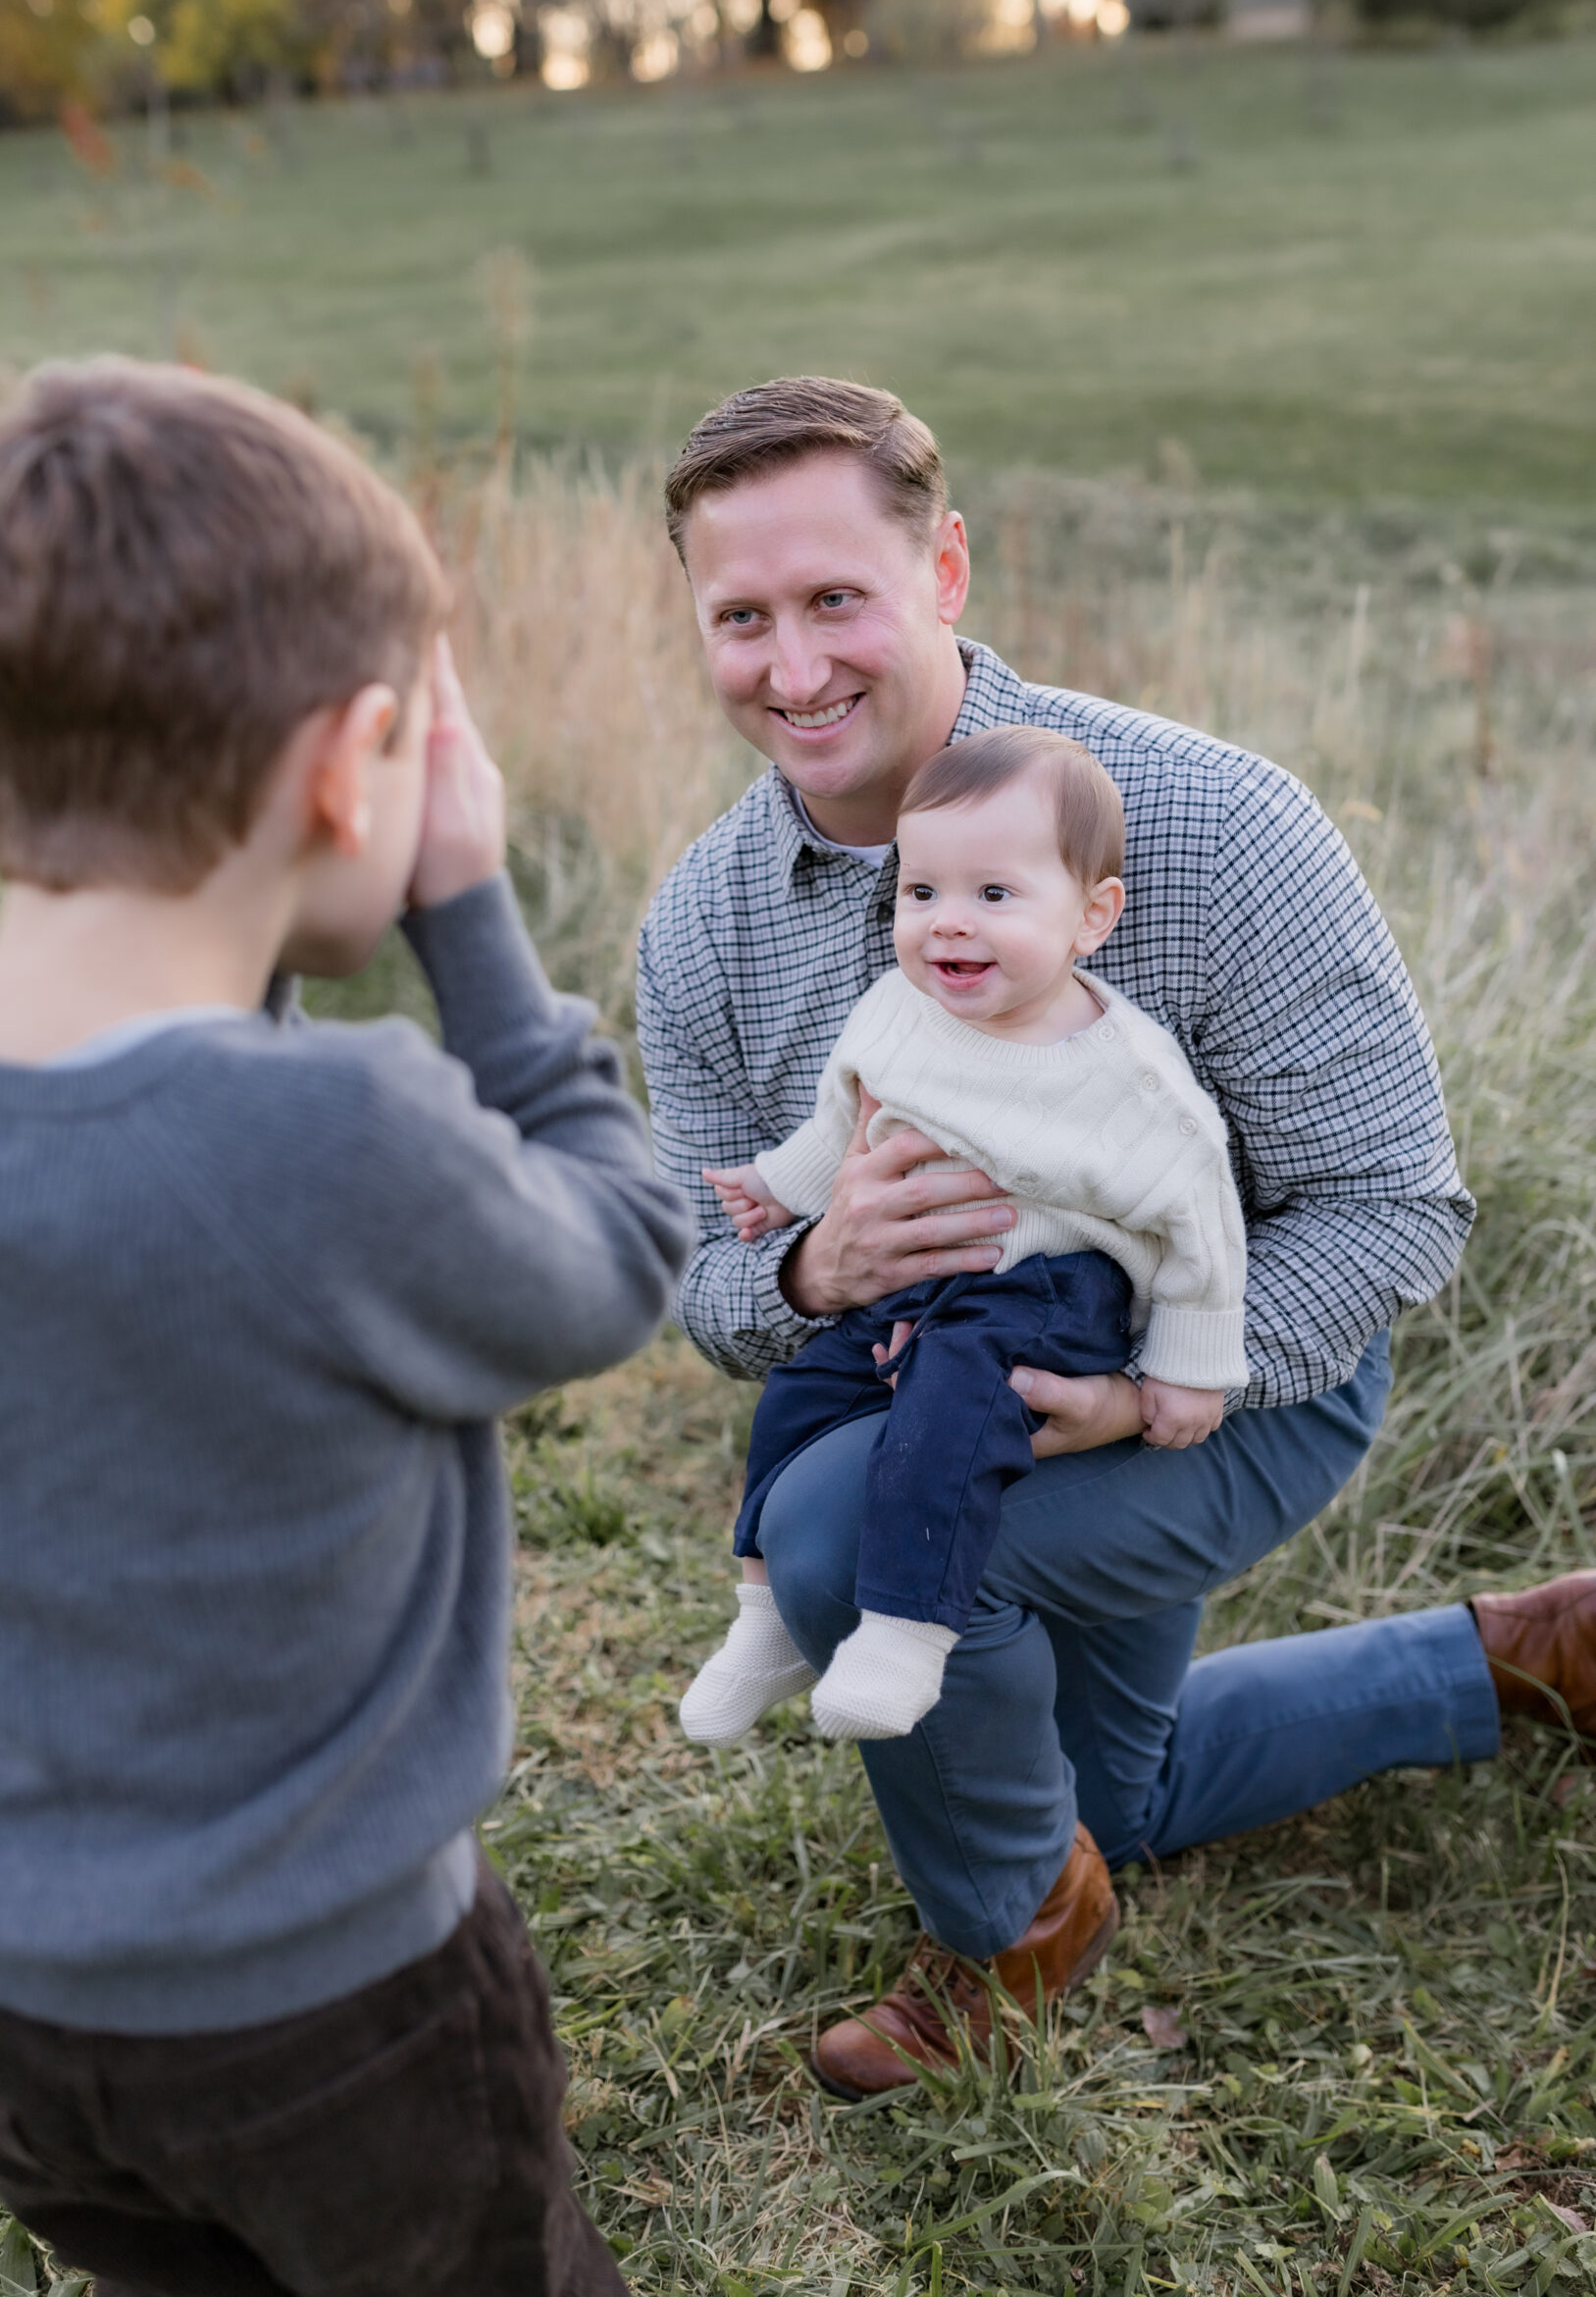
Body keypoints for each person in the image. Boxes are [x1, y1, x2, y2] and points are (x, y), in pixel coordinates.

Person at [636, 374, 1596, 2100]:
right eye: (741, 618)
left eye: (835, 600)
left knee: (855, 1532)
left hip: (1229, 1382)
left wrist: (1147, 1386)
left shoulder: (1208, 823)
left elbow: (1391, 1204)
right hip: (912, 1365)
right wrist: (806, 1272)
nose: (793, 672)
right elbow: (699, 1273)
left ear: (943, 572)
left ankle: (1006, 1929)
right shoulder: (699, 922)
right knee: (1118, 1795)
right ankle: (1525, 1654)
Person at [0, 360, 693, 2295]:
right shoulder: (339, 1137)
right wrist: (474, 921)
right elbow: (618, 1240)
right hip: (342, 2019)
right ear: (357, 766)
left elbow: (136, 1123)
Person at [681, 723, 1248, 1752]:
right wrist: (777, 1191)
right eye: (923, 892)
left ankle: (906, 1627)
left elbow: (1200, 1223)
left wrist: (1187, 1370)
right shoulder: (902, 1008)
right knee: (801, 1388)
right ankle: (764, 1616)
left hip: (1045, 1285)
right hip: (912, 1275)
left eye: (994, 895)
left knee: (952, 1400)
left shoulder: (1130, 1076)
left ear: (1092, 916)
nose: (949, 925)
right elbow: (847, 1117)